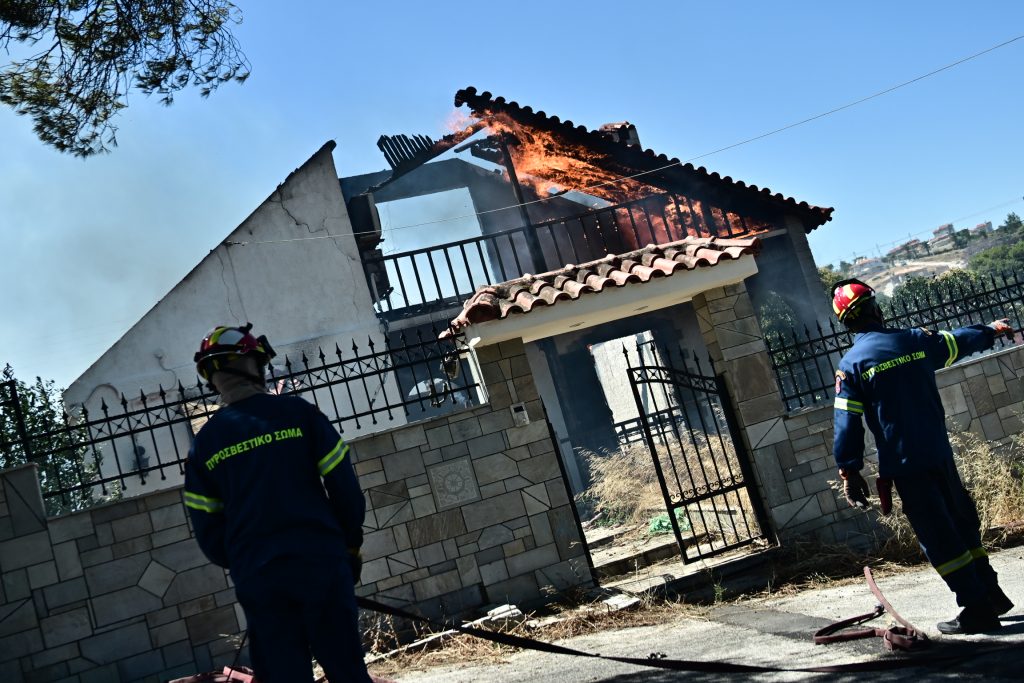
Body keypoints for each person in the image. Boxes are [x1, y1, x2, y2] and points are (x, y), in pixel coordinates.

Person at [183, 323, 371, 682]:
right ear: (254, 364)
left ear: (212, 377)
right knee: (347, 672)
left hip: (260, 579)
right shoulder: (300, 415)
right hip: (322, 564)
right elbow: (344, 487)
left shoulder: (203, 446)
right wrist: (348, 546)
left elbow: (208, 532)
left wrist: (248, 559)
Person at [830, 279, 1015, 635]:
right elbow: (959, 341)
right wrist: (991, 330)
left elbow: (847, 423)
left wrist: (849, 470)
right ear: (877, 309)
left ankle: (977, 608)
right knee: (962, 523)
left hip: (906, 466)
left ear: (846, 323)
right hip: (939, 454)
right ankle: (989, 593)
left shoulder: (852, 365)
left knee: (938, 537)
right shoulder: (916, 340)